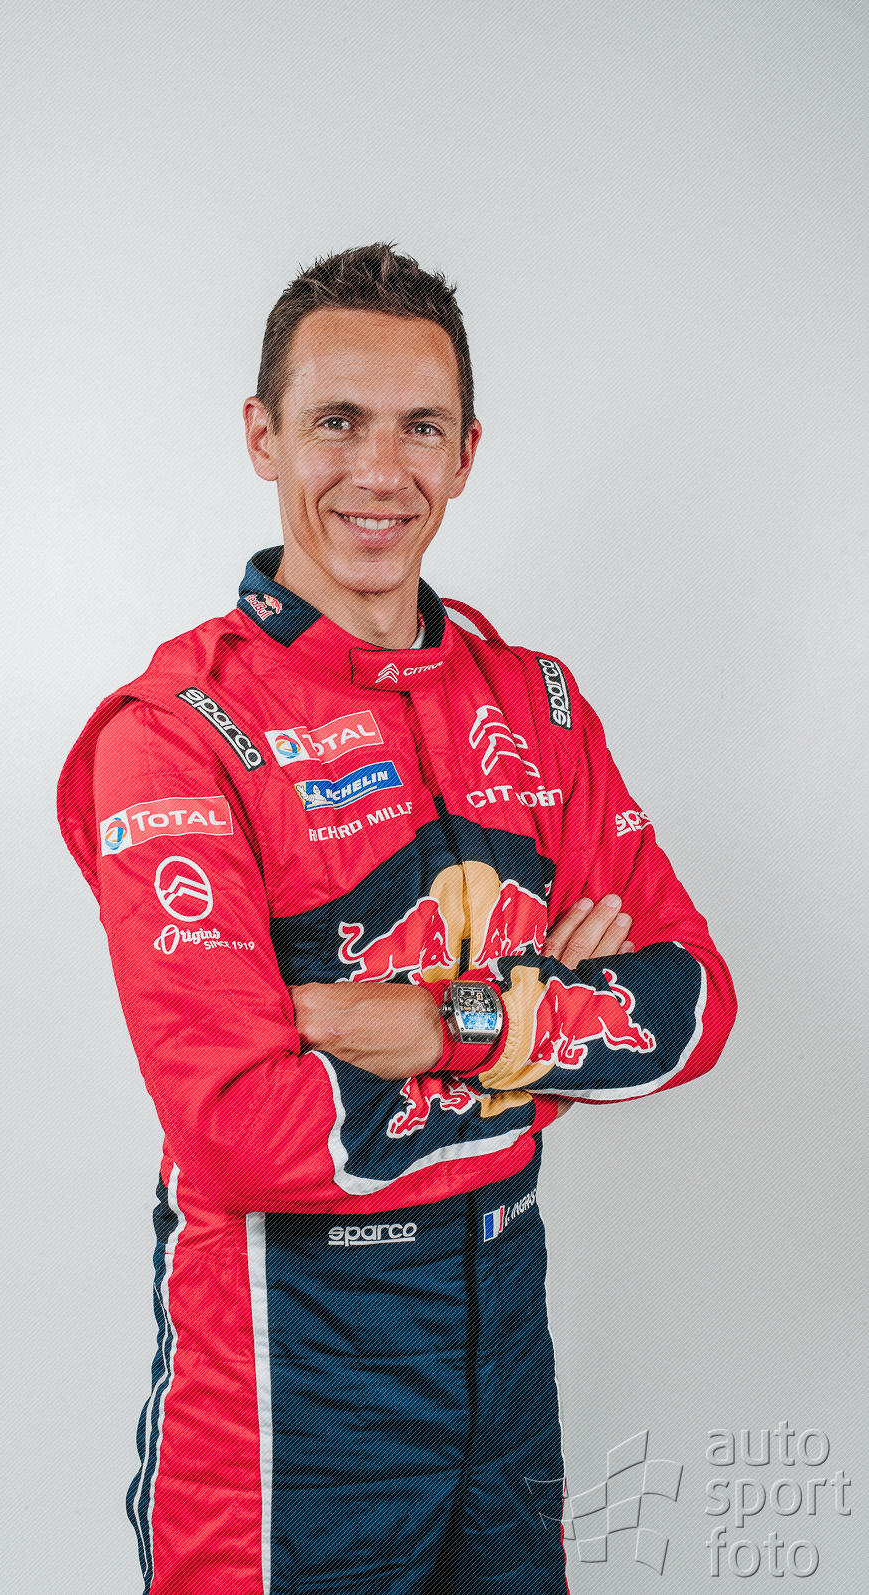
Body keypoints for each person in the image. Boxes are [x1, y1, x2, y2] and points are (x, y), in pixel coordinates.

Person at [57, 244, 736, 1595]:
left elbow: (695, 1003)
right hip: (291, 1379)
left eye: (421, 426)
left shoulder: (537, 702)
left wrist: (443, 1026)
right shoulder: (178, 735)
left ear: (467, 453)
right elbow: (244, 1128)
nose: (380, 469)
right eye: (337, 421)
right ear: (263, 436)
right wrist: (554, 1026)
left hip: (507, 1340)